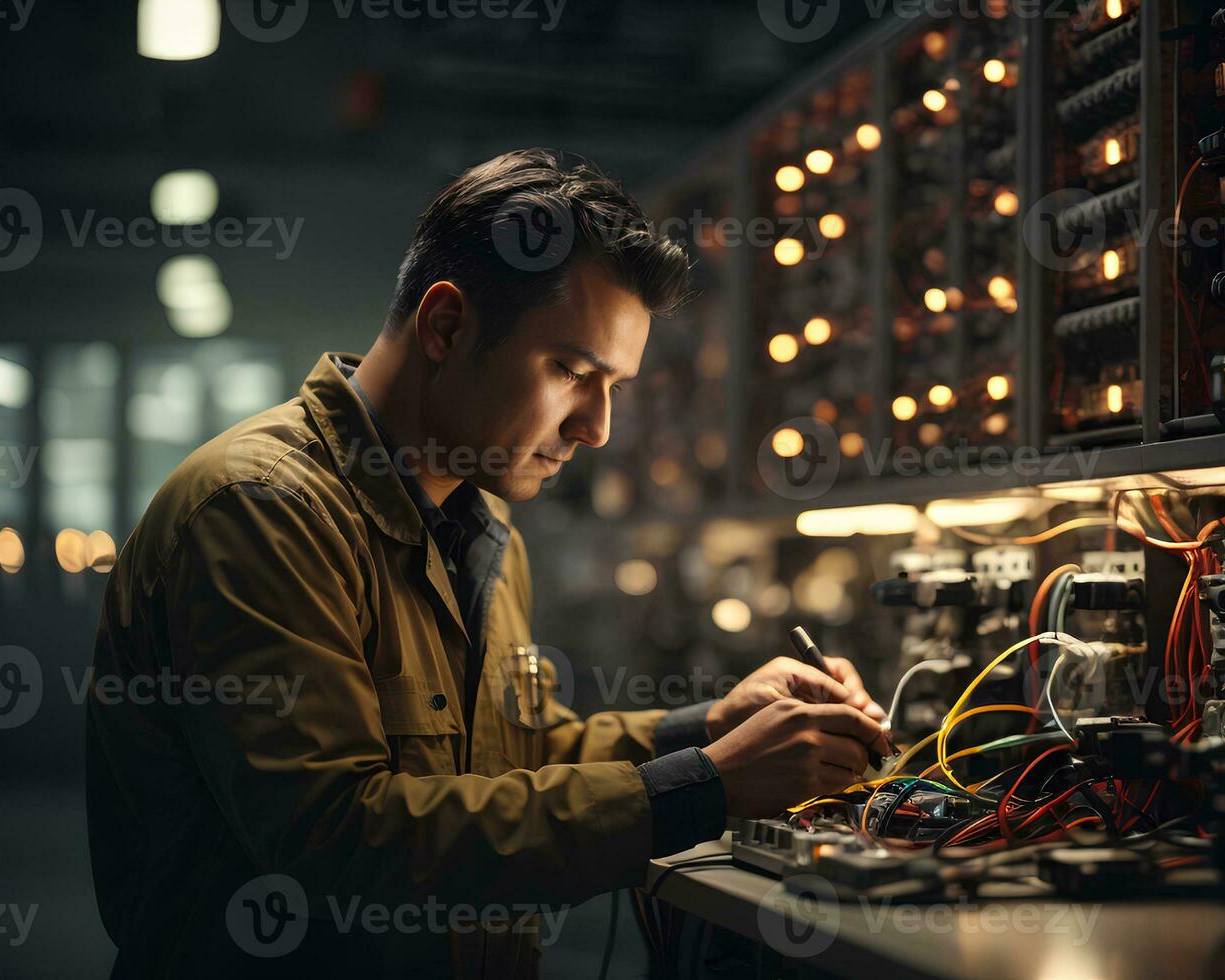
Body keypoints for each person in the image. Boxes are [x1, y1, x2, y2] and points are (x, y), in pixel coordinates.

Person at [86, 148, 889, 978]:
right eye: (574, 372)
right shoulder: (262, 509)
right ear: (446, 326)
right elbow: (342, 841)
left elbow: (508, 757)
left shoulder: (478, 516)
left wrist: (711, 729)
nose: (598, 428)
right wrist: (706, 786)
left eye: (614, 386)